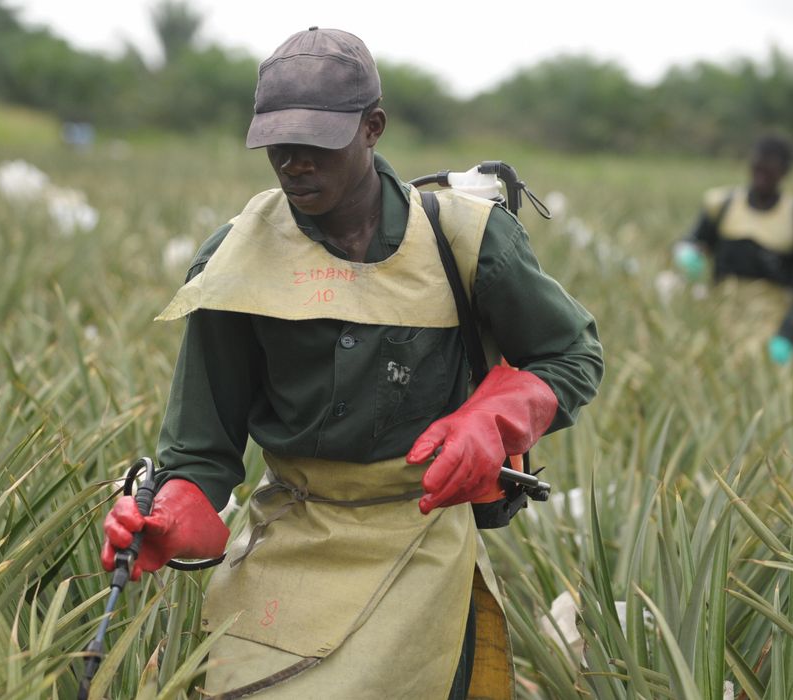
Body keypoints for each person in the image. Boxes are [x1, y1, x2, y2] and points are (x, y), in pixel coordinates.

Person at [100, 27, 603, 698]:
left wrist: (498, 417)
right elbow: (201, 447)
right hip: (293, 536)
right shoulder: (236, 259)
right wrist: (171, 508)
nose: (294, 162)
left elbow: (570, 353)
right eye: (278, 143)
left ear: (372, 127)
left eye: (316, 141)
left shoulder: (463, 239)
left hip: (419, 541)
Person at [673, 136, 793, 365]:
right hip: (720, 310)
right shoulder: (722, 204)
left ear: (784, 172)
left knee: (753, 366)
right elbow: (693, 240)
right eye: (757, 167)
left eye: (769, 169)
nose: (761, 175)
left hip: (770, 318)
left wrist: (788, 335)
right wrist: (686, 253)